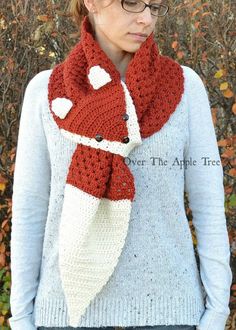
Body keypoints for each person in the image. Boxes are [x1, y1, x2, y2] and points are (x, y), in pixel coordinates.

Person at [8, 0, 232, 330]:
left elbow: (209, 206)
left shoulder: (185, 88)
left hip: (170, 314)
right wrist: (22, 317)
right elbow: (31, 210)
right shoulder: (45, 93)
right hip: (67, 313)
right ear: (92, 3)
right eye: (132, 4)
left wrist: (216, 312)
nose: (146, 19)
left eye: (155, 7)